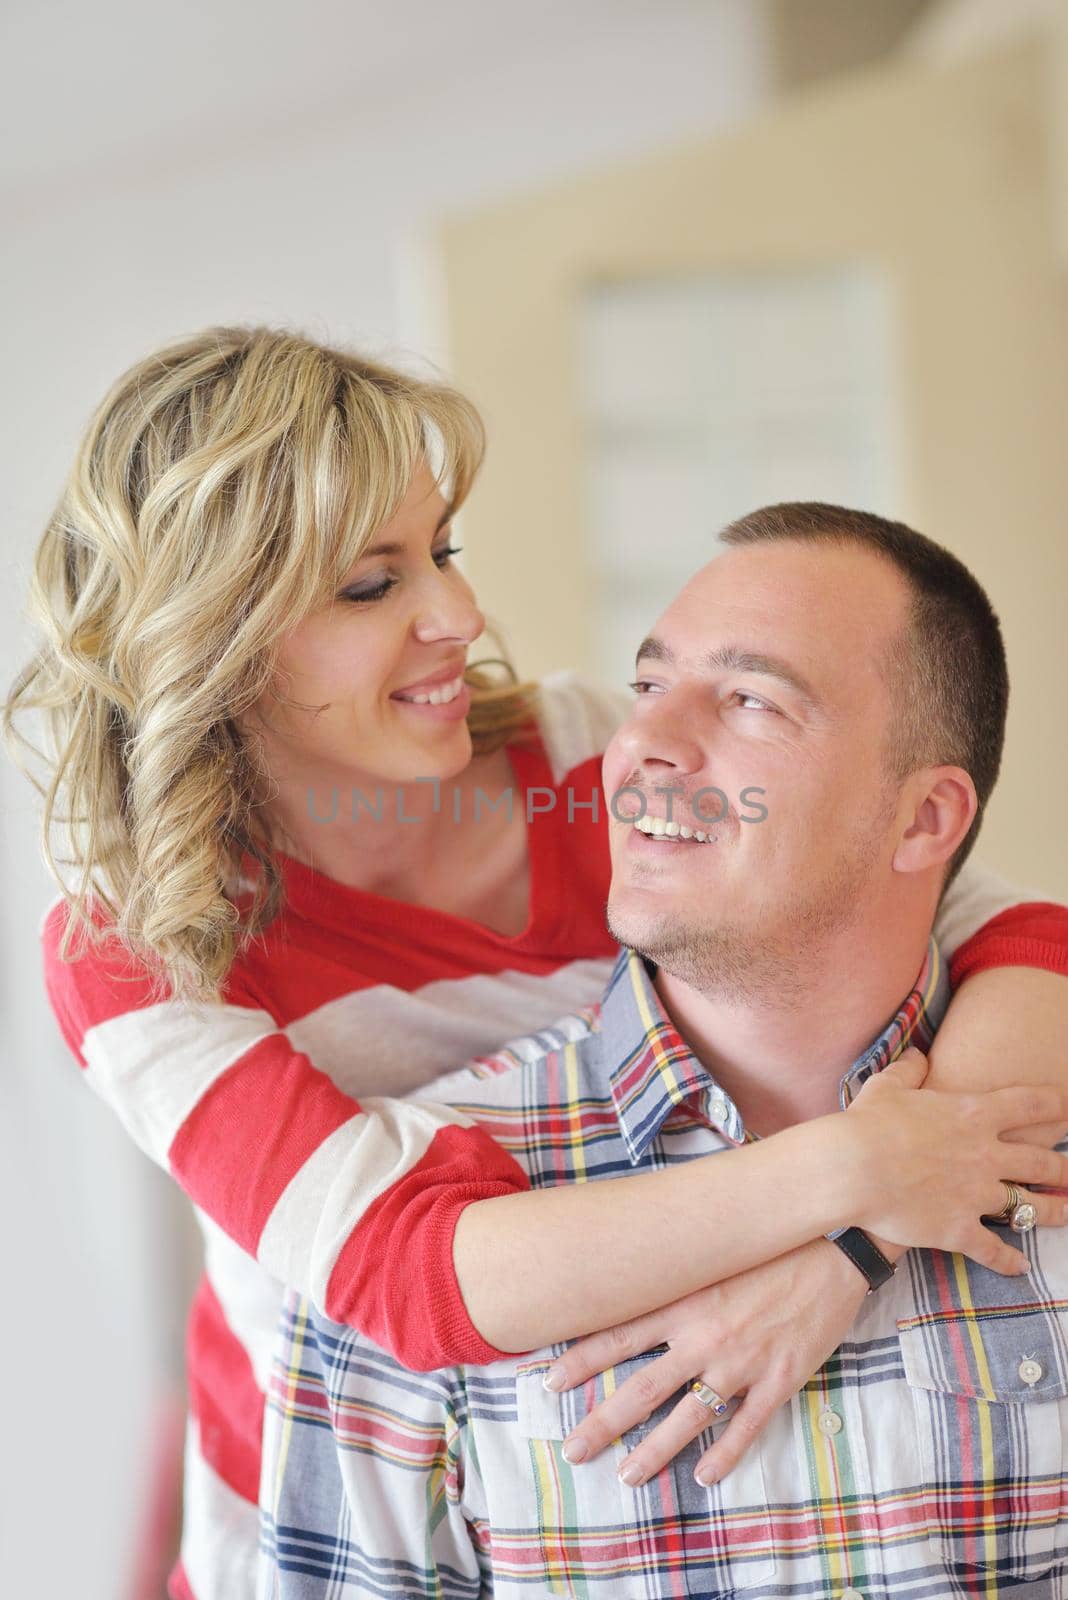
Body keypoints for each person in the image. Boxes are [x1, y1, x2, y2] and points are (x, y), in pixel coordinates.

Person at [5, 328, 1068, 1600]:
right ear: (219, 643)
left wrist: (847, 1247)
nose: (458, 616)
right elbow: (406, 1275)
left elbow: (987, 919)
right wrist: (852, 1171)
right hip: (339, 1480)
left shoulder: (587, 761)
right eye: (369, 586)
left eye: (441, 551)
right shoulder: (145, 944)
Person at [260, 503, 1068, 1599]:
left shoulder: (1035, 1091)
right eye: (647, 687)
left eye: (750, 700)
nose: (643, 743)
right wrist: (860, 1191)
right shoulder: (417, 1202)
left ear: (924, 821)